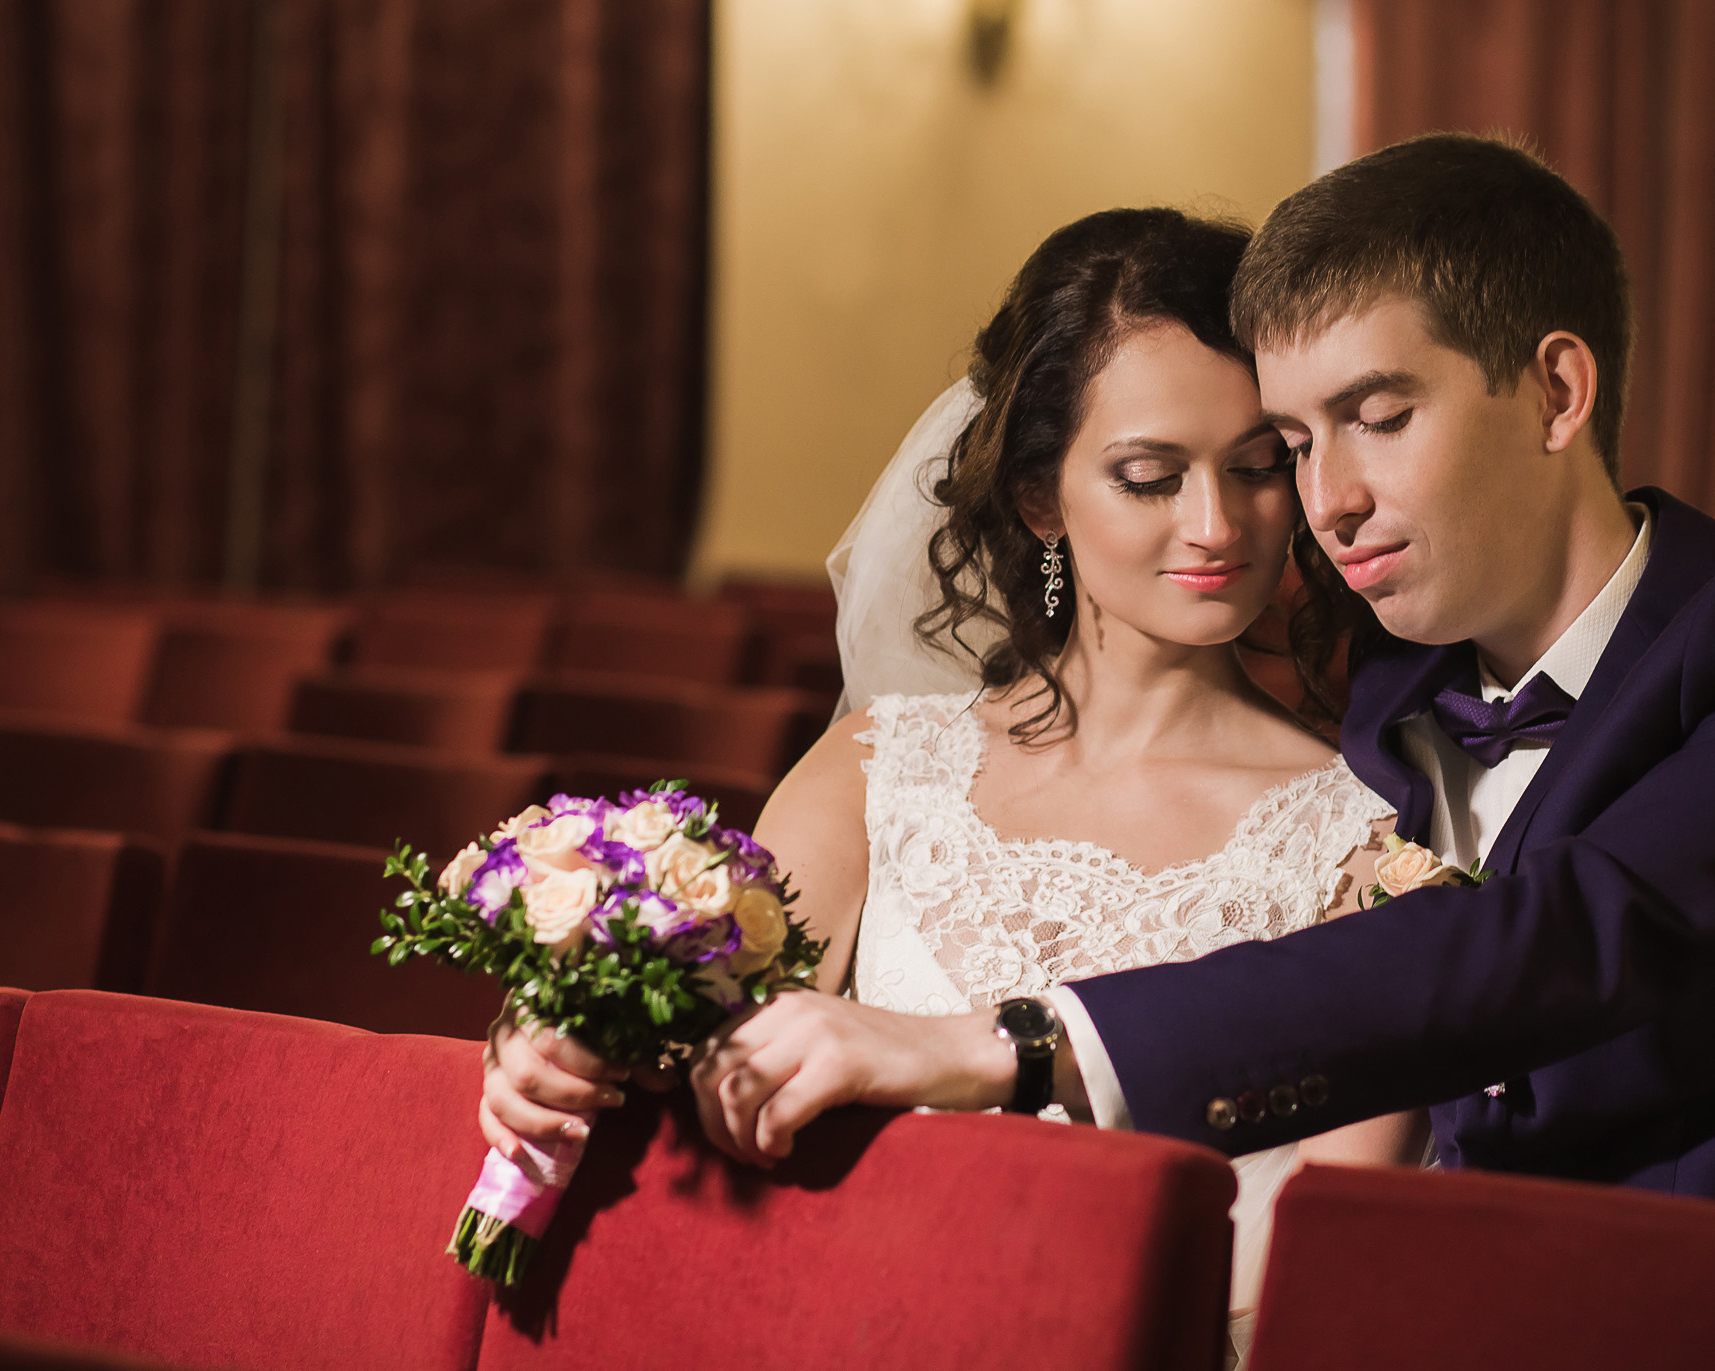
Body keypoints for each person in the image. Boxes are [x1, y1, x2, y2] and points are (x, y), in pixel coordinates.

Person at [646, 133, 1715, 1228]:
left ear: (1556, 391)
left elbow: (1574, 932)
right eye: (1296, 440)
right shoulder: (1389, 707)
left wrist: (1008, 1045)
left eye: (1378, 416)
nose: (1319, 502)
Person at [481, 207, 1414, 1337]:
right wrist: (554, 1045)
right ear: (1039, 501)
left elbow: (1330, 1286)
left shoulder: (1365, 849)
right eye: (1148, 476)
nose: (1217, 524)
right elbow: (700, 1069)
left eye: (1259, 467)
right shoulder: (877, 770)